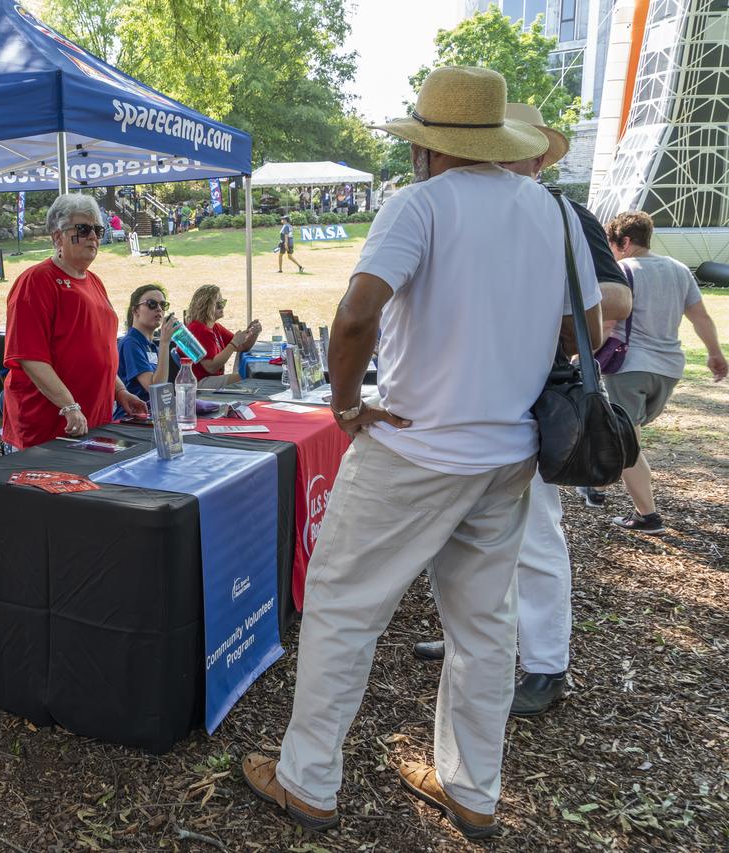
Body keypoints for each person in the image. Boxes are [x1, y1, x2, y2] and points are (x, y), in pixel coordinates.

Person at [241, 67, 602, 840]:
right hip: (509, 451)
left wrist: (344, 405)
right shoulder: (558, 214)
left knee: (342, 606)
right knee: (485, 626)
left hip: (415, 444)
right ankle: (474, 789)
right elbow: (591, 334)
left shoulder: (421, 205)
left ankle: (308, 779)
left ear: (428, 147)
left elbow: (354, 315)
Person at [411, 102, 636, 718]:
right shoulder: (469, 208)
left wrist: (549, 308)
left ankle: (545, 663)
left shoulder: (560, 213)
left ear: (532, 153)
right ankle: (476, 643)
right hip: (474, 400)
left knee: (535, 537)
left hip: (538, 399)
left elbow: (613, 296)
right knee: (469, 534)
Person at [603, 210, 727, 534]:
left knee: (627, 444)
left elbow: (607, 322)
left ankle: (647, 515)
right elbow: (700, 317)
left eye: (612, 244)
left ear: (625, 241)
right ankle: (601, 487)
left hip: (629, 367)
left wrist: (581, 356)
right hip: (668, 370)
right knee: (630, 439)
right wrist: (715, 353)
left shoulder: (621, 270)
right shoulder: (679, 269)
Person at [2, 194, 148, 449]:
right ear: (58, 236)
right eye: (83, 229)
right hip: (47, 429)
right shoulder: (35, 282)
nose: (93, 236)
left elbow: (100, 348)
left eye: (97, 230)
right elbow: (30, 358)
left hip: (93, 423)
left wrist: (120, 391)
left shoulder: (94, 281)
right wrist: (68, 405)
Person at [116, 285, 180, 417]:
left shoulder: (150, 345)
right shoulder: (131, 343)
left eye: (163, 305)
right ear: (135, 311)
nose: (159, 309)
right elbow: (155, 389)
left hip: (152, 416)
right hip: (132, 419)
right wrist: (164, 343)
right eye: (151, 304)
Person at [184, 285, 260, 389]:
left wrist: (254, 333)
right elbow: (211, 367)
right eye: (218, 305)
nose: (223, 307)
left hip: (209, 378)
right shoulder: (199, 330)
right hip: (199, 383)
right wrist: (233, 344)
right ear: (206, 307)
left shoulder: (214, 327)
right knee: (248, 379)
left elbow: (243, 346)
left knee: (250, 376)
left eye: (223, 303)